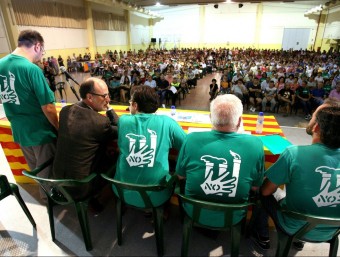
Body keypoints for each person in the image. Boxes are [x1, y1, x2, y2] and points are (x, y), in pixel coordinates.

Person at [176, 94, 265, 231]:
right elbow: (255, 186)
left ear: (211, 118)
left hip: (194, 210)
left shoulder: (191, 139)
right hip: (233, 215)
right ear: (239, 121)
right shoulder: (255, 144)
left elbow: (181, 176)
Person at [259, 100, 340, 251]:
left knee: (262, 189)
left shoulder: (293, 153)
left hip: (294, 226)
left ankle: (261, 232)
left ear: (316, 127)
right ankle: (298, 240)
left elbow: (266, 191)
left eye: (313, 117)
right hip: (333, 230)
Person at [0, 30, 58, 188]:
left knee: (37, 171)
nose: (41, 55)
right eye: (42, 50)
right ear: (37, 46)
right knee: (48, 176)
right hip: (40, 132)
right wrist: (59, 128)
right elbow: (48, 107)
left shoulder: (1, 65)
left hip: (20, 131)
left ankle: (45, 197)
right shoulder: (31, 69)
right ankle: (51, 205)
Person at [113, 86, 186, 205]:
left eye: (130, 102)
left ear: (135, 105)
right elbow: (186, 145)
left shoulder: (123, 120)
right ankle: (161, 212)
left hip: (122, 191)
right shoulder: (167, 122)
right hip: (156, 195)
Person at [52, 77, 119, 201]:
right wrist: (109, 109)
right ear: (89, 97)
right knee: (117, 159)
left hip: (56, 180)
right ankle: (98, 200)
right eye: (104, 96)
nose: (108, 99)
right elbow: (119, 128)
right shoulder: (99, 122)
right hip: (79, 187)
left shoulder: (65, 111)